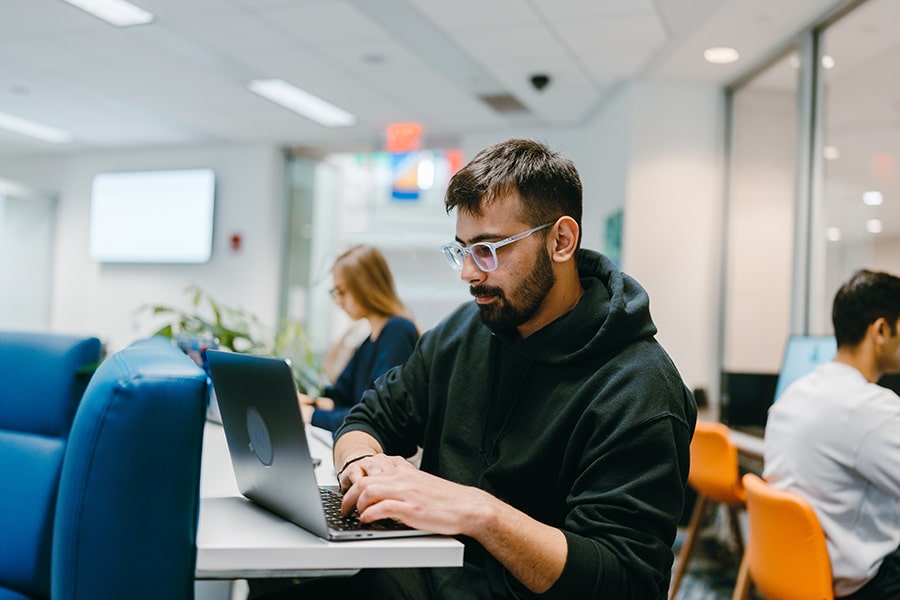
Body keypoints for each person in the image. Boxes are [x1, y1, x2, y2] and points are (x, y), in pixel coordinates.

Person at [764, 269, 900, 599]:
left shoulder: (792, 395)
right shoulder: (875, 409)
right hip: (860, 589)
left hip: (795, 574)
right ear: (881, 330)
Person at [298, 244, 418, 432]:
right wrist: (310, 403)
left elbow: (376, 416)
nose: (338, 301)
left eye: (342, 292)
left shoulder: (398, 332)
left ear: (366, 288)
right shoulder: (370, 341)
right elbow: (341, 399)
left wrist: (311, 415)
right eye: (335, 293)